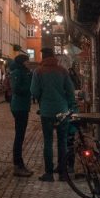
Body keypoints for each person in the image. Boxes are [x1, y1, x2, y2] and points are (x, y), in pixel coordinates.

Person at [31, 47, 76, 182]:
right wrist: (69, 104)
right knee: (62, 141)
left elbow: (33, 91)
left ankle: (49, 173)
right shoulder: (62, 71)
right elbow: (70, 90)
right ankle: (62, 172)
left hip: (46, 111)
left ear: (43, 57)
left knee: (48, 141)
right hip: (62, 110)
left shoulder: (38, 71)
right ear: (54, 56)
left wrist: (41, 98)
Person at [9, 54, 33, 177]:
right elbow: (16, 89)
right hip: (19, 107)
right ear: (23, 62)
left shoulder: (22, 72)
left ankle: (19, 163)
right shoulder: (17, 72)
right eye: (27, 61)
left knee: (20, 136)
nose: (29, 62)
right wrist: (30, 89)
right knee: (19, 136)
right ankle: (17, 165)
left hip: (21, 106)